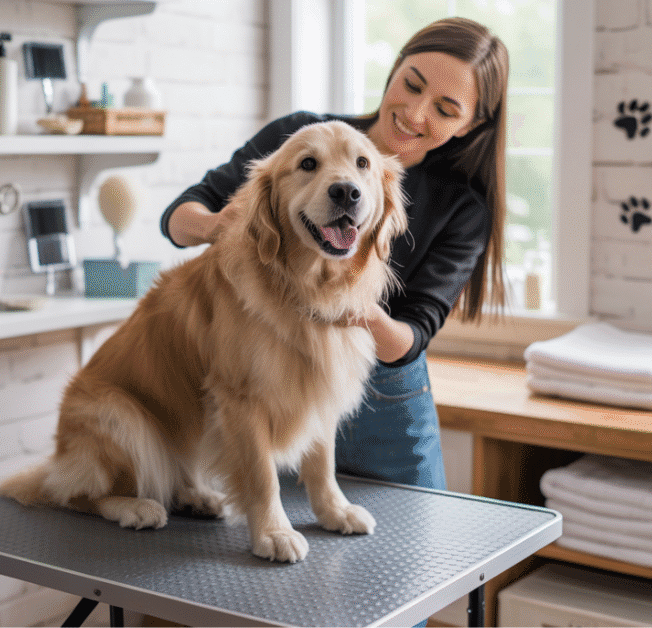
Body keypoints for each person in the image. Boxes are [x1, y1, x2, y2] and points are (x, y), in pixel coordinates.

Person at [160, 17, 509, 492]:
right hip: (277, 387)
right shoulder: (302, 138)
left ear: (472, 124)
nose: (415, 113)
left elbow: (410, 336)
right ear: (395, 69)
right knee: (275, 527)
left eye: (445, 109)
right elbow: (179, 216)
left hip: (384, 405)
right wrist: (215, 225)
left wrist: (353, 308)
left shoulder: (463, 208)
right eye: (411, 85)